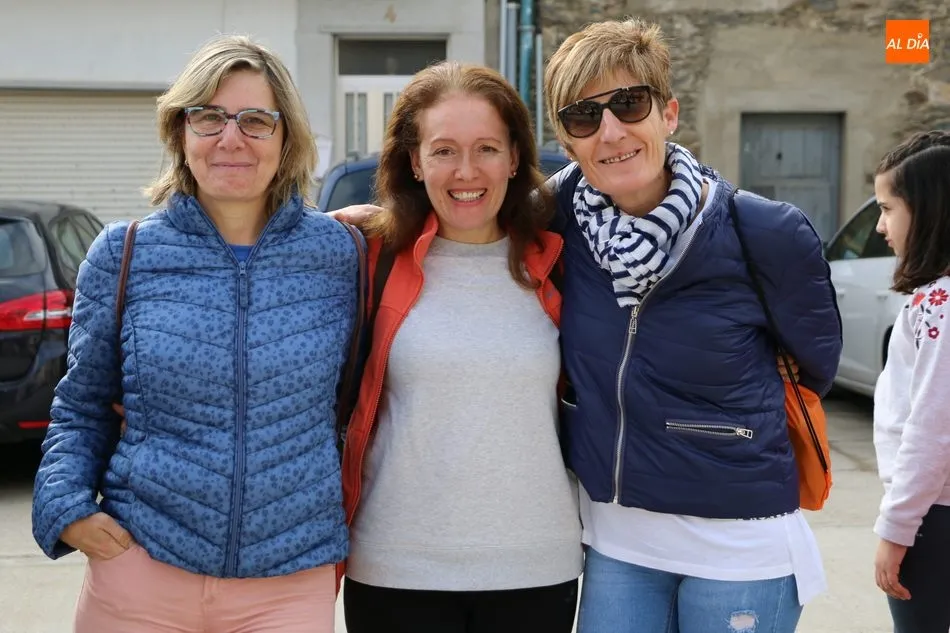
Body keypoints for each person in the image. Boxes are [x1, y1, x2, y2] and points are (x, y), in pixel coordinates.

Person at [31, 35, 358, 633]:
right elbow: (80, 406)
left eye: (255, 120)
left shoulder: (339, 255)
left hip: (288, 583)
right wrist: (67, 508)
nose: (231, 138)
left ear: (286, 138)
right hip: (141, 570)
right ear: (180, 131)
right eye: (208, 117)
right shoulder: (124, 253)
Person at [541, 17, 842, 633]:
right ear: (568, 142)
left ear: (669, 114)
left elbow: (815, 365)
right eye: (583, 116)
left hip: (740, 546)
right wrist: (371, 223)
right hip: (618, 543)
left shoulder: (766, 231)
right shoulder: (556, 218)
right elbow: (464, 212)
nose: (611, 131)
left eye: (629, 104)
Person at [338, 61, 583, 633]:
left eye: (487, 149)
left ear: (515, 157)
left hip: (535, 567)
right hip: (395, 568)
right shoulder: (367, 258)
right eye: (444, 150)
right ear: (415, 161)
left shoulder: (561, 262)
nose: (466, 171)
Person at [871, 130, 950, 633]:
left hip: (933, 517)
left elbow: (931, 430)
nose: (880, 226)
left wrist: (896, 530)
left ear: (927, 212)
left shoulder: (939, 305)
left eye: (887, 209)